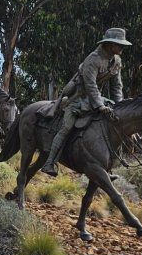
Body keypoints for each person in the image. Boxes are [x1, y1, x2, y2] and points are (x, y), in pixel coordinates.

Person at [42, 27, 130, 177]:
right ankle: (49, 162)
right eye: (119, 44)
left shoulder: (117, 61)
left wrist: (119, 106)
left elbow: (117, 86)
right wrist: (101, 106)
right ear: (109, 44)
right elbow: (90, 86)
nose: (122, 47)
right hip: (78, 98)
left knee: (115, 123)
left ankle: (109, 165)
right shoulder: (93, 59)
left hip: (96, 99)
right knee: (67, 127)